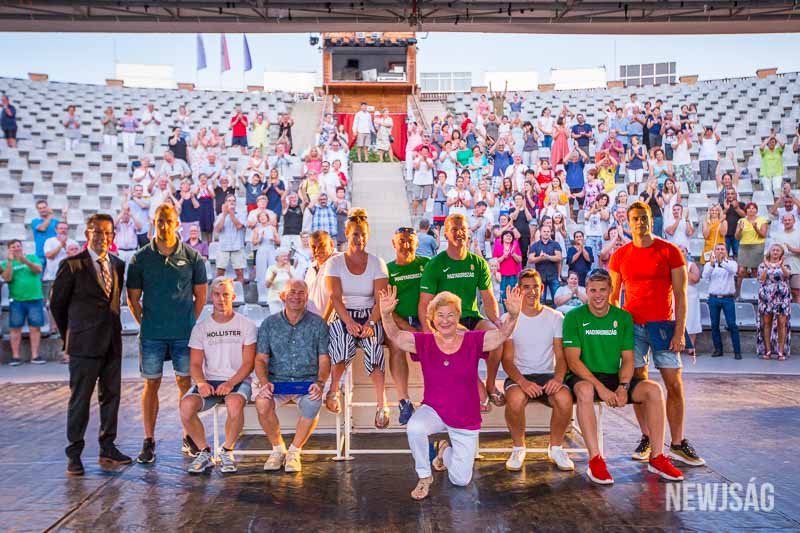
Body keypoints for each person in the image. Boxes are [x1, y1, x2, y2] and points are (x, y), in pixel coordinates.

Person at [380, 285, 522, 499]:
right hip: (434, 411)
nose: (445, 320)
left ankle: (444, 450)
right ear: (432, 319)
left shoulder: (473, 340)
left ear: (458, 317)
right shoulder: (425, 342)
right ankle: (424, 476)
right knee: (415, 427)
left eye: (450, 315)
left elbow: (501, 335)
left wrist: (513, 315)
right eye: (440, 315)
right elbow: (396, 336)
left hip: (465, 417)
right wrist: (385, 314)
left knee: (460, 480)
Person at [564, 268, 684, 484]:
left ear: (611, 290)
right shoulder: (574, 317)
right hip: (584, 376)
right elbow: (573, 361)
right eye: (593, 290)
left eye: (602, 289)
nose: (598, 295)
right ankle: (595, 460)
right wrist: (601, 389)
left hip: (612, 375)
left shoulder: (623, 318)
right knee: (585, 390)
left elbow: (628, 359)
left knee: (653, 390)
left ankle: (657, 457)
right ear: (586, 291)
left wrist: (623, 386)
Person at [609, 201, 705, 467]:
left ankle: (678, 442)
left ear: (651, 220)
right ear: (628, 223)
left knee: (674, 384)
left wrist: (680, 331)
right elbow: (614, 298)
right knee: (638, 383)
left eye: (644, 217)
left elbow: (681, 295)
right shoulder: (619, 256)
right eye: (635, 219)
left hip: (663, 327)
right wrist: (617, 333)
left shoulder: (670, 251)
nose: (640, 222)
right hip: (632, 327)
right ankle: (648, 438)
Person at [126, 203, 208, 464]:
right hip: (152, 335)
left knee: (186, 384)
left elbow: (201, 295)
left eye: (169, 221)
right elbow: (132, 298)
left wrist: (188, 322)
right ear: (154, 222)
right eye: (160, 221)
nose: (164, 226)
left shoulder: (193, 257)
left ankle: (188, 436)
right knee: (151, 384)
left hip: (183, 334)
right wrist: (145, 323)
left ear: (177, 223)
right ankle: (149, 440)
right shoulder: (140, 258)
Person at [50, 214, 131, 476]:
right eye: (97, 232)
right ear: (87, 234)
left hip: (112, 343)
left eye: (108, 233)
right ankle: (74, 453)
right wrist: (71, 336)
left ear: (113, 236)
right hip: (83, 345)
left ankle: (108, 447)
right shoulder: (72, 265)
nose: (103, 238)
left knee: (111, 397)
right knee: (80, 400)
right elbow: (57, 305)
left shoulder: (118, 264)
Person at [419, 213, 505, 409]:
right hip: (447, 321)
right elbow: (424, 303)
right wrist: (428, 331)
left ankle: (491, 384)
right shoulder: (435, 264)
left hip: (472, 317)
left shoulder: (478, 263)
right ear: (446, 234)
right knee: (465, 340)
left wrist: (497, 321)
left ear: (468, 233)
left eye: (462, 229)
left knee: (497, 338)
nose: (459, 233)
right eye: (454, 230)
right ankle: (477, 385)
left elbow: (488, 298)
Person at [500, 269, 574, 471]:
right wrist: (523, 382)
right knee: (515, 399)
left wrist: (558, 379)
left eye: (535, 287)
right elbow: (507, 360)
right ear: (519, 290)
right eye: (526, 287)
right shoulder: (509, 318)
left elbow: (561, 356)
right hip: (520, 376)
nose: (531, 292)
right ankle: (518, 448)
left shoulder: (556, 317)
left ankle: (556, 448)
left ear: (542, 288)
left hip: (547, 375)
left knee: (565, 398)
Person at [181, 277, 256, 474]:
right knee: (186, 406)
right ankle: (204, 452)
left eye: (226, 295)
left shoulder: (246, 325)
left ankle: (227, 451)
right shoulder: (201, 328)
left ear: (233, 297)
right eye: (216, 294)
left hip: (238, 380)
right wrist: (201, 383)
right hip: (210, 381)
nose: (221, 299)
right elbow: (195, 364)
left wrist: (231, 383)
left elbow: (248, 364)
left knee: (234, 403)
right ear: (211, 297)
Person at [255, 279, 331, 473]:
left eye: (301, 293)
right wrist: (264, 382)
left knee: (313, 402)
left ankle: (295, 451)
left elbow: (324, 360)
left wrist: (320, 383)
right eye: (292, 292)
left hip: (307, 382)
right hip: (276, 382)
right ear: (283, 296)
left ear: (307, 297)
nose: (296, 296)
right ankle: (278, 449)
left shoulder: (318, 324)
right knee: (262, 402)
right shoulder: (269, 324)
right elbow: (261, 359)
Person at [324, 210, 390, 427]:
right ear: (347, 234)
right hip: (343, 314)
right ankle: (333, 390)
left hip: (370, 314)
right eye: (355, 234)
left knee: (373, 344)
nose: (359, 239)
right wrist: (349, 322)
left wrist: (370, 322)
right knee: (342, 341)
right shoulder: (335, 263)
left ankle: (382, 403)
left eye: (363, 235)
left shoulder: (377, 263)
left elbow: (380, 299)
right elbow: (335, 297)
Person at [386, 227, 429, 424]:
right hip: (399, 320)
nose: (406, 245)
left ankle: (432, 398)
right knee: (396, 345)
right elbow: (386, 305)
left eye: (410, 241)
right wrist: (406, 327)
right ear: (393, 244)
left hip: (425, 319)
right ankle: (404, 401)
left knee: (434, 345)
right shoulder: (387, 270)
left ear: (416, 243)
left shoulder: (427, 264)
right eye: (401, 241)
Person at [2, 239, 45, 366]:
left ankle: (35, 356)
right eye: (13, 247)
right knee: (15, 328)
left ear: (22, 247)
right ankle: (15, 357)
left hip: (35, 298)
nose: (16, 248)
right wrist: (10, 262)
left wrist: (26, 261)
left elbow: (38, 270)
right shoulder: (5, 263)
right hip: (17, 300)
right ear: (9, 249)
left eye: (18, 246)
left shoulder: (32, 257)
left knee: (35, 328)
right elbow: (7, 278)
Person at [702, 243, 742, 359]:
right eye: (718, 249)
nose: (720, 251)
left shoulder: (732, 263)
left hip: (727, 298)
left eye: (722, 249)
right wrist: (712, 265)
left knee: (732, 324)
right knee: (714, 325)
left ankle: (737, 351)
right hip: (713, 298)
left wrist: (721, 262)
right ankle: (718, 349)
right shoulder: (709, 264)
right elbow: (705, 276)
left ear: (726, 251)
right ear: (714, 251)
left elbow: (733, 270)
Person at [757, 244, 792, 361]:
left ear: (781, 253)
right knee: (767, 323)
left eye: (778, 250)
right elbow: (761, 279)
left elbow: (787, 276)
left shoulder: (786, 265)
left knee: (782, 323)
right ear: (769, 252)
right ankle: (768, 351)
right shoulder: (762, 265)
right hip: (766, 297)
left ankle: (781, 351)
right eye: (773, 250)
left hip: (782, 297)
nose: (775, 252)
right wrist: (767, 267)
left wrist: (781, 266)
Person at [735, 202, 769, 294]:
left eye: (753, 208)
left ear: (756, 210)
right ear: (746, 210)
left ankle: (756, 292)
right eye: (749, 208)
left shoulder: (762, 220)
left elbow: (763, 235)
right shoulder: (741, 221)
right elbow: (737, 237)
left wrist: (756, 228)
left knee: (755, 271)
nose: (751, 210)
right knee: (741, 271)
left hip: (757, 247)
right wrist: (740, 230)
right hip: (744, 247)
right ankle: (739, 292)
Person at [305, 230, 338, 317]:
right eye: (313, 247)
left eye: (321, 246)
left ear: (331, 244)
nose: (317, 250)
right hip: (312, 321)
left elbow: (335, 297)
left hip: (331, 322)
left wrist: (324, 320)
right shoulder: (312, 267)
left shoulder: (339, 262)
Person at [214, 194, 246, 284]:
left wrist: (231, 213)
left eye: (233, 200)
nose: (231, 202)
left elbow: (239, 226)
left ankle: (240, 291)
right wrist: (224, 215)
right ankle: (219, 289)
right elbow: (217, 229)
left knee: (239, 271)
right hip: (223, 247)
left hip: (237, 246)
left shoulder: (241, 214)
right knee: (220, 271)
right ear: (225, 203)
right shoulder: (220, 215)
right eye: (229, 200)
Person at [770, 212, 800, 303]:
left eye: (789, 220)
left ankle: (797, 311)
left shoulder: (798, 233)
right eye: (785, 220)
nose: (787, 222)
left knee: (796, 293)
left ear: (794, 221)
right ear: (782, 222)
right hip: (780, 268)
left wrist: (791, 249)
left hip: (796, 268)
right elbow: (773, 250)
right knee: (780, 293)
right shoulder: (777, 235)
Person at [527, 225, 562, 303]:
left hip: (553, 275)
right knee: (541, 301)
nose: (546, 233)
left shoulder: (555, 244)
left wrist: (547, 257)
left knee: (557, 300)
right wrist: (540, 258)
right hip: (540, 276)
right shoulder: (535, 245)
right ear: (540, 233)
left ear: (551, 233)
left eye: (548, 231)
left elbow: (559, 257)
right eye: (544, 231)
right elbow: (530, 260)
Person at [265, 247, 294, 314]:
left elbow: (296, 283)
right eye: (283, 256)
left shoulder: (291, 268)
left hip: (288, 299)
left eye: (286, 256)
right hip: (274, 299)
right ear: (277, 258)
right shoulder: (271, 268)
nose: (286, 258)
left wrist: (289, 272)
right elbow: (267, 285)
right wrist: (273, 276)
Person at [759, 133, 786, 199]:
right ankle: (769, 205)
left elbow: (783, 145)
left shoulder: (778, 150)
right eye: (770, 142)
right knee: (767, 191)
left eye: (773, 142)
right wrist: (769, 138)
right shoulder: (765, 151)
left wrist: (775, 137)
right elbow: (761, 147)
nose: (771, 143)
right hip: (766, 174)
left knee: (777, 189)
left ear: (775, 143)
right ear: (767, 143)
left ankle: (776, 204)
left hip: (777, 173)